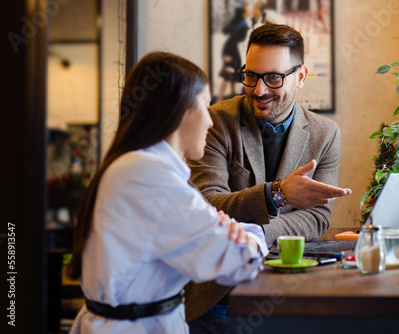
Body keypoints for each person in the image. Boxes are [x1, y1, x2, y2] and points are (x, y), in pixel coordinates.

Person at [66, 52, 268, 334]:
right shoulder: (149, 176)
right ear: (180, 109)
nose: (210, 121)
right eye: (205, 105)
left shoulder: (136, 166)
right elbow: (236, 263)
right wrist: (253, 237)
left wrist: (227, 229)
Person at [185, 24, 352, 332]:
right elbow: (207, 204)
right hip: (219, 299)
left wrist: (256, 233)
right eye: (251, 75)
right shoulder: (218, 121)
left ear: (300, 76)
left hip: (291, 296)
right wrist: (277, 194)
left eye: (273, 77)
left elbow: (317, 218)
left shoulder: (325, 134)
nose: (259, 90)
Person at [216, 2, 250, 103]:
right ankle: (220, 99)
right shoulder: (242, 24)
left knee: (234, 73)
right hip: (231, 50)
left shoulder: (238, 22)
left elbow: (226, 30)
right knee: (228, 74)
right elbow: (237, 37)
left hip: (232, 50)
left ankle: (227, 98)